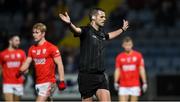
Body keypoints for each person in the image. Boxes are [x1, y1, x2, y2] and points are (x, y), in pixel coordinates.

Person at [59, 8, 129, 101]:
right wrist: (69, 24)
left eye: (104, 17)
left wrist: (122, 29)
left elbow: (109, 35)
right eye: (102, 16)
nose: (105, 18)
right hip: (87, 76)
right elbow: (76, 30)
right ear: (93, 17)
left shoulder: (101, 33)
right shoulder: (86, 30)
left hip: (101, 76)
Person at [16, 23, 66, 101]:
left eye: (37, 32)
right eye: (33, 32)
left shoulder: (52, 48)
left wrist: (62, 80)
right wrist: (19, 71)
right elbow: (27, 63)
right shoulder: (32, 48)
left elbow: (60, 64)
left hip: (49, 82)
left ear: (43, 34)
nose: (34, 35)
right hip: (38, 83)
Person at [114, 36, 148, 102]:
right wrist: (115, 82)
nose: (128, 46)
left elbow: (141, 69)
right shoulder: (119, 57)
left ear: (132, 44)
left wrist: (144, 82)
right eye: (126, 45)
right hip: (123, 85)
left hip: (134, 85)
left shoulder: (138, 55)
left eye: (129, 44)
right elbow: (117, 70)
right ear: (123, 45)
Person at [0, 35, 26, 101]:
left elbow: (25, 67)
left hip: (19, 83)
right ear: (10, 41)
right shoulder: (3, 54)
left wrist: (25, 71)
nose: (18, 42)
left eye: (19, 41)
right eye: (16, 40)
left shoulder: (22, 53)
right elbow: (0, 68)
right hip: (7, 83)